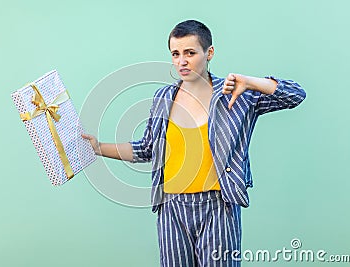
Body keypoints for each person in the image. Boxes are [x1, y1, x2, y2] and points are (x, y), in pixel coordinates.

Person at [82, 19, 306, 267]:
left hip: (218, 206)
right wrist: (98, 147)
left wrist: (251, 82)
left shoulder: (235, 93)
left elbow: (295, 95)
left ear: (209, 53)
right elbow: (147, 149)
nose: (182, 61)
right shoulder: (163, 97)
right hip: (171, 207)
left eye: (190, 53)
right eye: (176, 54)